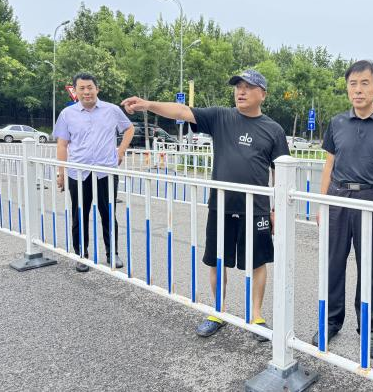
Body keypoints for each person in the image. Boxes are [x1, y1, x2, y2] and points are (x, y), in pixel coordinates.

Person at [121, 69, 288, 342]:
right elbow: (182, 111)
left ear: (263, 94)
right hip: (221, 205)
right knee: (217, 260)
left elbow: (279, 171)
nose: (241, 91)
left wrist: (277, 210)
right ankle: (218, 311)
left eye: (248, 87)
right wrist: (148, 105)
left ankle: (256, 316)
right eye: (238, 87)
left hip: (256, 208)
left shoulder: (274, 130)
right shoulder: (221, 117)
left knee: (257, 262)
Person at [314, 60, 373, 359]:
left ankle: (369, 329)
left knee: (370, 268)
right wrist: (323, 203)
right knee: (333, 265)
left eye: (364, 83)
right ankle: (331, 322)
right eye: (352, 84)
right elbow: (329, 165)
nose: (358, 90)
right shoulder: (337, 123)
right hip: (338, 198)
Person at [54, 72, 135, 273]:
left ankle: (112, 253)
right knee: (79, 215)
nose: (86, 92)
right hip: (78, 173)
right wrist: (61, 172)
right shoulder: (67, 114)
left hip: (105, 171)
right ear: (75, 91)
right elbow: (62, 145)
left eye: (90, 87)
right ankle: (81, 255)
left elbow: (129, 128)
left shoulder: (112, 110)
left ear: (97, 89)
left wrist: (120, 151)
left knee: (108, 213)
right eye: (81, 88)